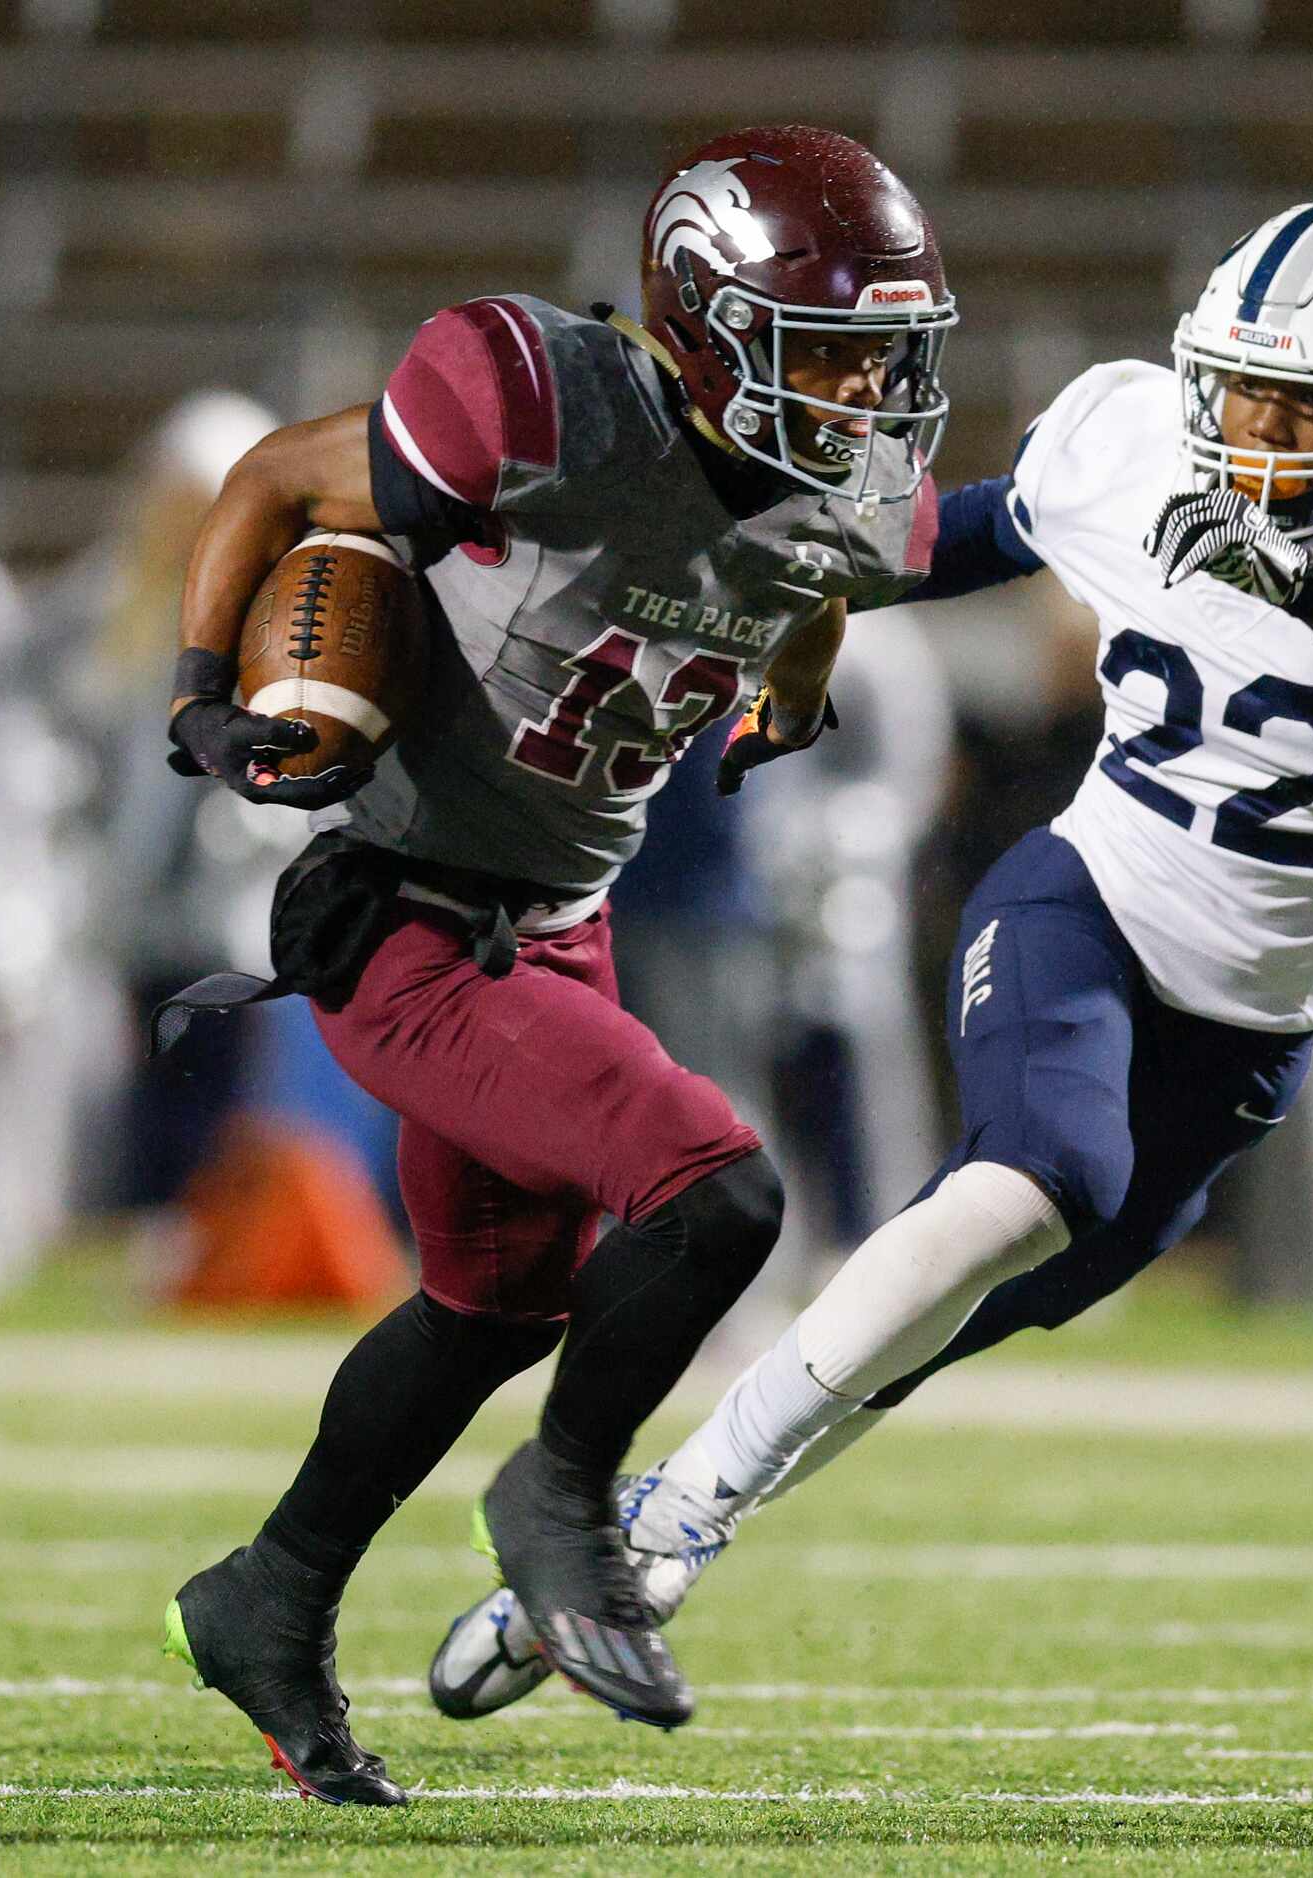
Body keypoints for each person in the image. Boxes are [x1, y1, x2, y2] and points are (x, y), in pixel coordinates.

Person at [433, 201, 1313, 1716]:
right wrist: (757, 563)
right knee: (1045, 1174)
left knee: (945, 1309)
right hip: (1081, 903)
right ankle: (662, 1529)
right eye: (1241, 390)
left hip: (1246, 1034)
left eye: (1307, 407)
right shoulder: (1136, 447)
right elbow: (939, 540)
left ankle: (632, 1533)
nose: (1259, 433)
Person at [154, 124, 954, 1803]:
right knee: (717, 1191)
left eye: (890, 352)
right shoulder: (549, 405)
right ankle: (564, 1496)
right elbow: (279, 480)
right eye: (831, 352)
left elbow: (812, 575)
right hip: (404, 909)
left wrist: (789, 691)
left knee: (493, 1304)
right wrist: (198, 695)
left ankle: (269, 1595)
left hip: (560, 925)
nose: (872, 392)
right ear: (704, 324)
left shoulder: (846, 490)